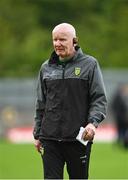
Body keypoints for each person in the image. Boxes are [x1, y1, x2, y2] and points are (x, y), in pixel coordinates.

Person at [33, 23, 107, 179]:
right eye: (54, 40)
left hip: (78, 139)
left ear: (74, 41)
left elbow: (99, 99)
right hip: (50, 139)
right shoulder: (45, 68)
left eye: (62, 39)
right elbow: (41, 103)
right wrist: (37, 134)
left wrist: (92, 123)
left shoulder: (90, 65)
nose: (57, 44)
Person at [111, 84, 128, 148]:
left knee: (121, 131)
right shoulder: (121, 98)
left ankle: (121, 142)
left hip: (121, 118)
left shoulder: (122, 97)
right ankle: (122, 143)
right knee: (121, 131)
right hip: (121, 118)